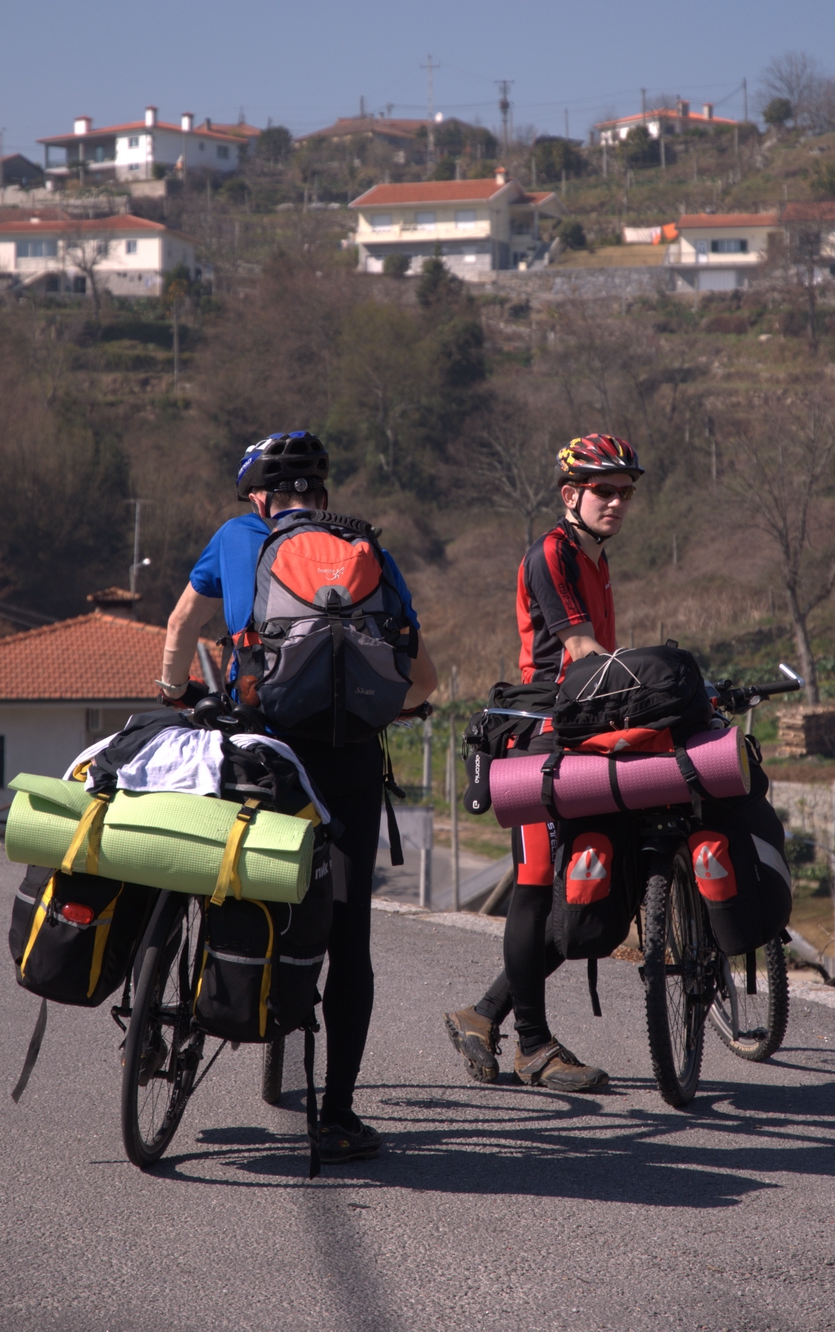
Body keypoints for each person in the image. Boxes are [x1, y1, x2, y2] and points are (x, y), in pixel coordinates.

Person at [160, 431, 437, 1162]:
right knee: (349, 939)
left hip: (263, 758)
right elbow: (424, 677)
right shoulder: (364, 550)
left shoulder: (235, 537)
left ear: (259, 498)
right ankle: (337, 1116)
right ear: (322, 495)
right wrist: (393, 709)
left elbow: (182, 624)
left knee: (216, 877)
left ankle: (178, 1013)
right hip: (346, 766)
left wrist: (173, 689)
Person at [444, 433, 643, 1091]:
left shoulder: (596, 558)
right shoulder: (552, 554)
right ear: (570, 494)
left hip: (583, 731)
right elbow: (582, 651)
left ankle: (482, 1015)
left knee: (582, 893)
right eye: (603, 491)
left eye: (625, 493)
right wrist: (647, 683)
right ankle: (532, 1046)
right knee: (533, 885)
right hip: (540, 738)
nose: (616, 503)